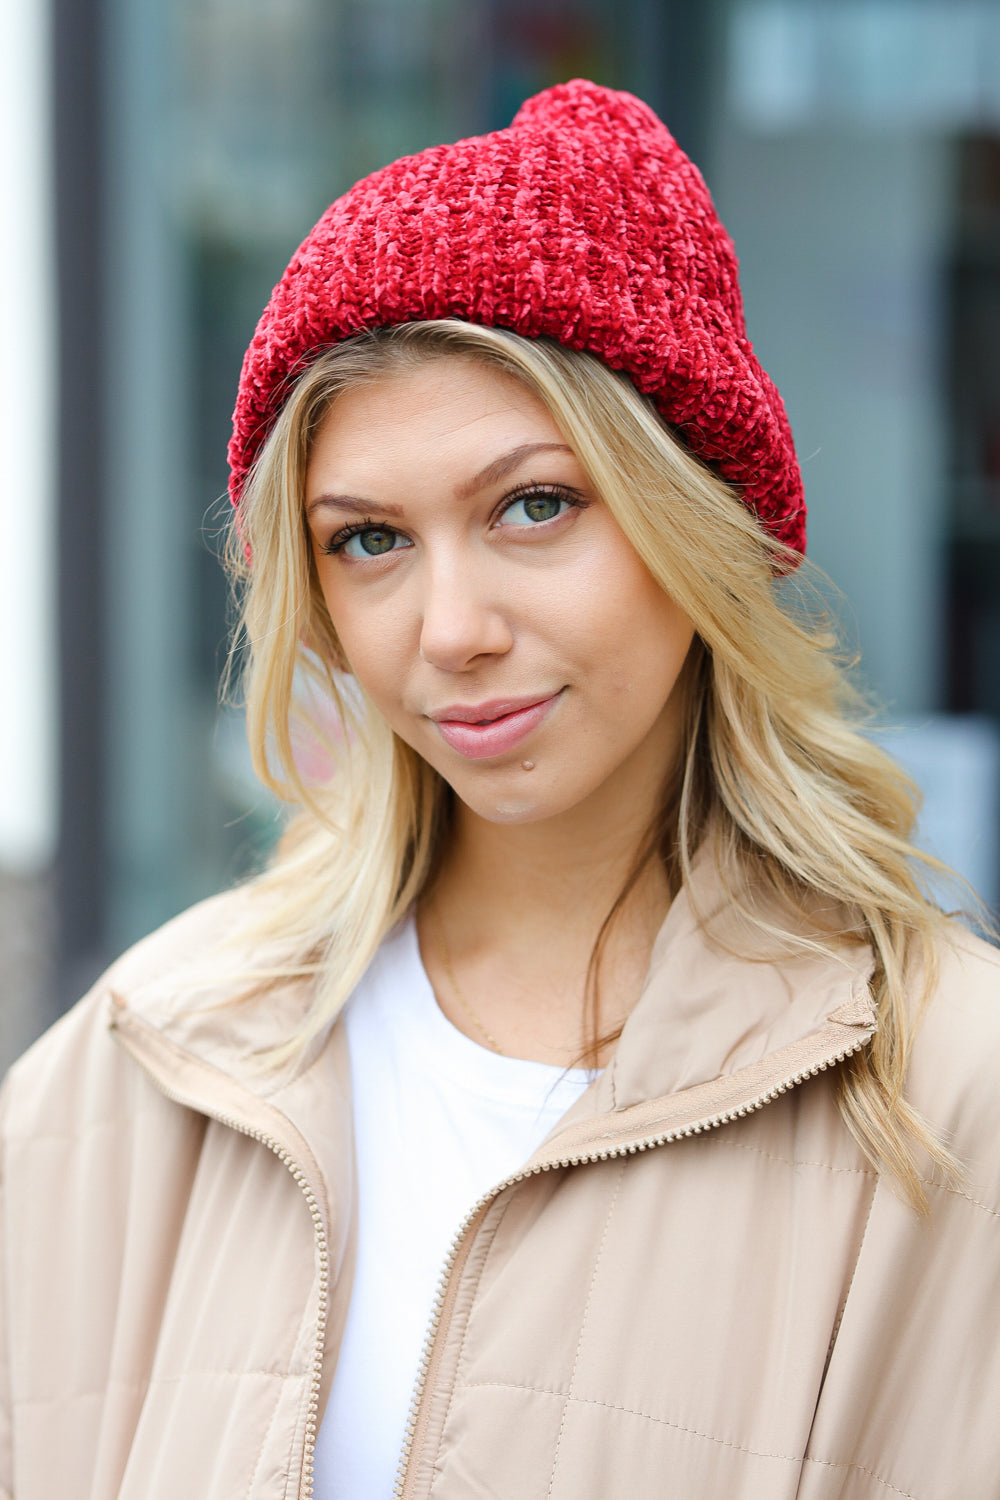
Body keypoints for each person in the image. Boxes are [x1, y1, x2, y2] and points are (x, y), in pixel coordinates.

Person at [1, 79, 998, 1500]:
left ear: (693, 517)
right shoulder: (145, 1059)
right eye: (368, 542)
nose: (450, 629)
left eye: (535, 505)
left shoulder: (944, 1086)